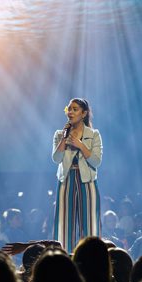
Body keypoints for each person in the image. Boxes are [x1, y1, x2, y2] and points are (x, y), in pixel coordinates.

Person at [52, 98, 103, 252]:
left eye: (75, 109)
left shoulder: (93, 134)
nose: (71, 112)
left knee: (90, 223)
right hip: (66, 180)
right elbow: (56, 158)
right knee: (64, 223)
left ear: (84, 113)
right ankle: (63, 258)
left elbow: (96, 161)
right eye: (69, 109)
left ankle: (92, 257)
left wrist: (80, 145)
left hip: (87, 181)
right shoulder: (60, 134)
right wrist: (64, 139)